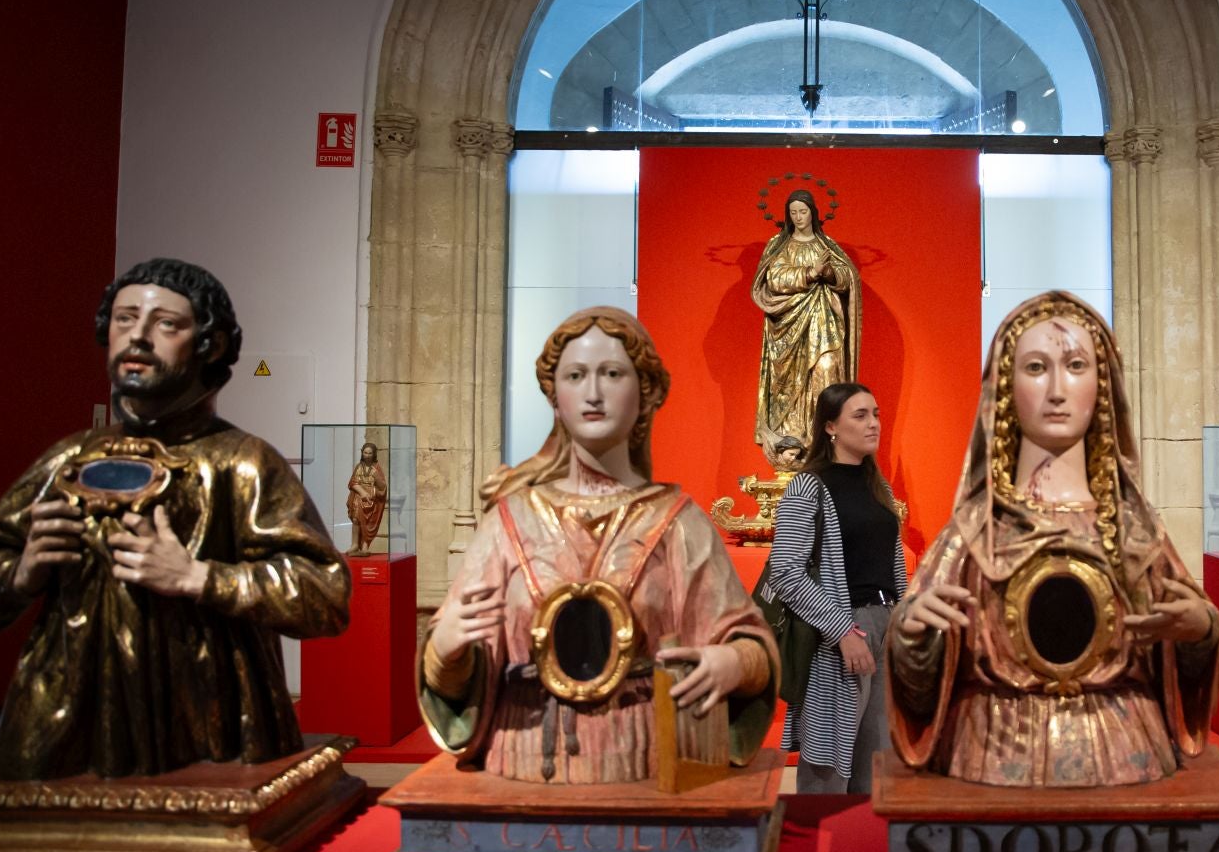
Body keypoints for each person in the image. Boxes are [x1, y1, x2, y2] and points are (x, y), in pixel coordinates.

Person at [0, 258, 351, 780]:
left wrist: (200, 577)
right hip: (65, 718)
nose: (138, 337)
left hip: (207, 720)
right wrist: (22, 573)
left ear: (212, 344)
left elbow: (324, 593)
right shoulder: (69, 460)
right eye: (123, 319)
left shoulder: (241, 463)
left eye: (166, 323)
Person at [421, 307, 777, 783]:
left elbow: (748, 643)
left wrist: (733, 662)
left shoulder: (679, 523)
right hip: (524, 762)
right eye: (575, 375)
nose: (592, 393)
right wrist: (445, 651)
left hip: (642, 762)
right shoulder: (509, 523)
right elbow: (454, 671)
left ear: (645, 393)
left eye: (611, 374)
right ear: (555, 398)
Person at [887, 291, 1219, 788]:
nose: (1058, 390)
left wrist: (1200, 634)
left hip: (1125, 752)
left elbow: (1186, 655)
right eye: (1037, 367)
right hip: (991, 756)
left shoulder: (1138, 537)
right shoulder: (973, 538)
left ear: (1102, 385)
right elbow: (919, 687)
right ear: (1005, 387)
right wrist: (913, 641)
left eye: (1077, 365)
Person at [762, 382, 907, 793]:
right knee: (829, 765)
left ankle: (863, 850)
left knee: (877, 762)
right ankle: (818, 849)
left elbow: (892, 564)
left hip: (884, 625)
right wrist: (841, 630)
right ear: (830, 427)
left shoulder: (880, 487)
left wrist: (904, 620)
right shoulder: (807, 486)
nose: (873, 423)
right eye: (860, 416)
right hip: (840, 634)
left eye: (876, 413)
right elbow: (785, 570)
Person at [751, 188, 861, 465]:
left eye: (803, 211)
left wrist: (829, 272)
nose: (799, 217)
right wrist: (809, 274)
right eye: (793, 213)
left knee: (827, 371)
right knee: (790, 385)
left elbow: (848, 280)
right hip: (787, 327)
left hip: (825, 323)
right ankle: (793, 440)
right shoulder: (779, 245)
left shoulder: (827, 247)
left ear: (814, 212)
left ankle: (825, 440)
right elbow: (773, 279)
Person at [346, 440, 389, 555]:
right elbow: (352, 482)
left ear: (374, 454)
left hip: (371, 499)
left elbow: (383, 487)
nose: (367, 455)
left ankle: (365, 546)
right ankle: (355, 544)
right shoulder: (359, 467)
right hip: (358, 497)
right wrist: (361, 491)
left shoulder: (376, 468)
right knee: (356, 519)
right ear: (362, 453)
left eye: (370, 453)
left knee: (368, 522)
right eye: (365, 453)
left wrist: (376, 477)